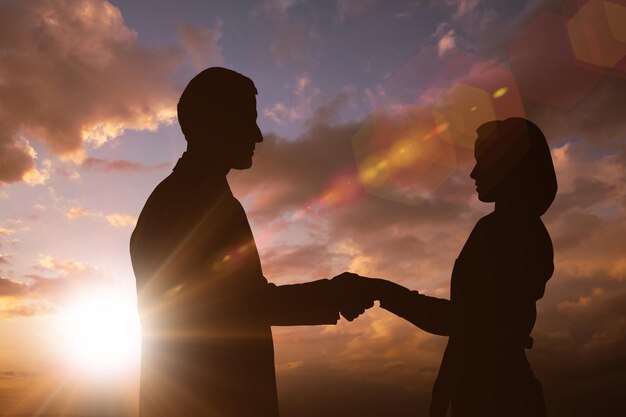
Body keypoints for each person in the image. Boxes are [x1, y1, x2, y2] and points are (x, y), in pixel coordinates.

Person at [130, 67, 371, 417]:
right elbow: (232, 310)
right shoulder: (197, 204)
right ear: (217, 123)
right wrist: (331, 294)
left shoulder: (185, 198)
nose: (258, 136)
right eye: (248, 120)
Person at [361, 118, 557, 417]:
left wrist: (384, 293)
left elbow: (465, 322)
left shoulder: (502, 232)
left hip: (497, 397)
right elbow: (468, 331)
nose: (474, 173)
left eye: (484, 162)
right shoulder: (515, 231)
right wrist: (444, 390)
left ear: (510, 166)